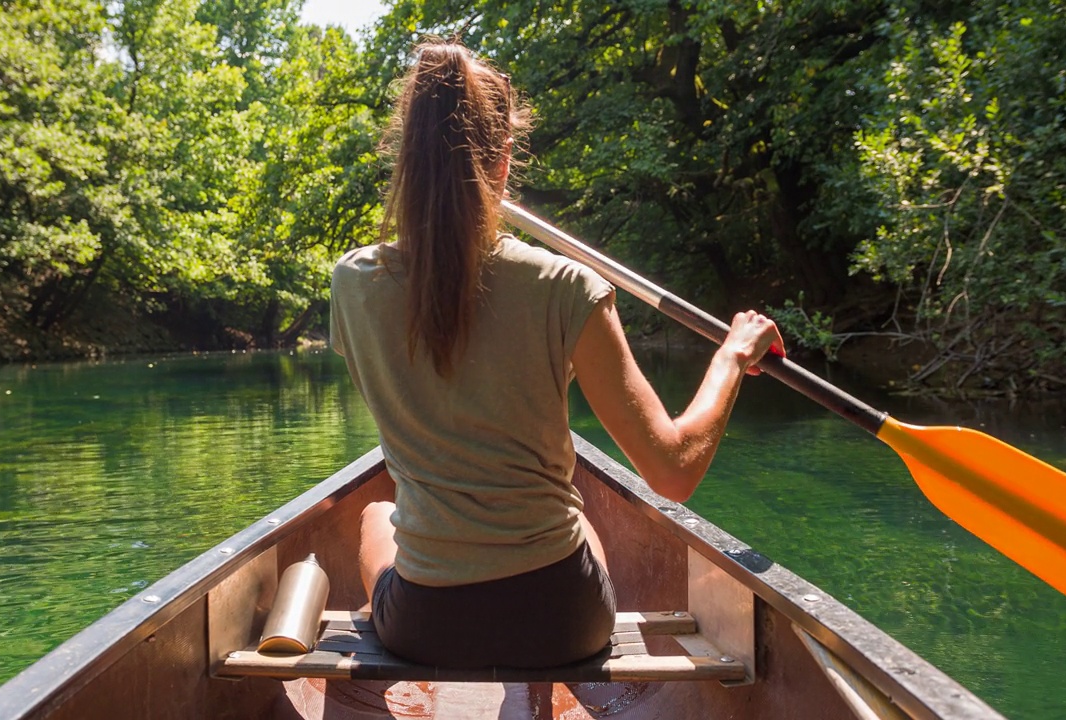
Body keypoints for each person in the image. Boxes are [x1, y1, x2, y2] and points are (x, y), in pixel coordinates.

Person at [329, 39, 785, 669]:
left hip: (425, 625)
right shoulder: (566, 286)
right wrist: (732, 355)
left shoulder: (353, 284)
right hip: (563, 620)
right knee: (580, 515)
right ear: (505, 162)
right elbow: (674, 472)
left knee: (378, 513)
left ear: (406, 161)